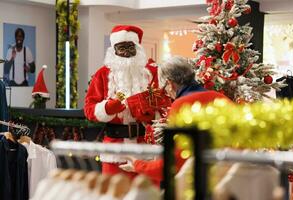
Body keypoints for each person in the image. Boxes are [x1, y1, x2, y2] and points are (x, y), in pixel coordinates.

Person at [119, 56, 231, 184]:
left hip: (200, 183)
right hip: (228, 179)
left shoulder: (181, 105)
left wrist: (138, 165)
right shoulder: (222, 99)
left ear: (169, 83)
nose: (166, 93)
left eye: (164, 88)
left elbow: (175, 162)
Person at [84, 25, 162, 177]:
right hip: (115, 149)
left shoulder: (151, 73)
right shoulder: (102, 74)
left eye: (130, 47)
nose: (126, 52)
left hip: (145, 147)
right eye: (121, 48)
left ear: (137, 48)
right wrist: (108, 108)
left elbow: (164, 104)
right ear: (113, 50)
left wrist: (149, 112)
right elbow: (89, 110)